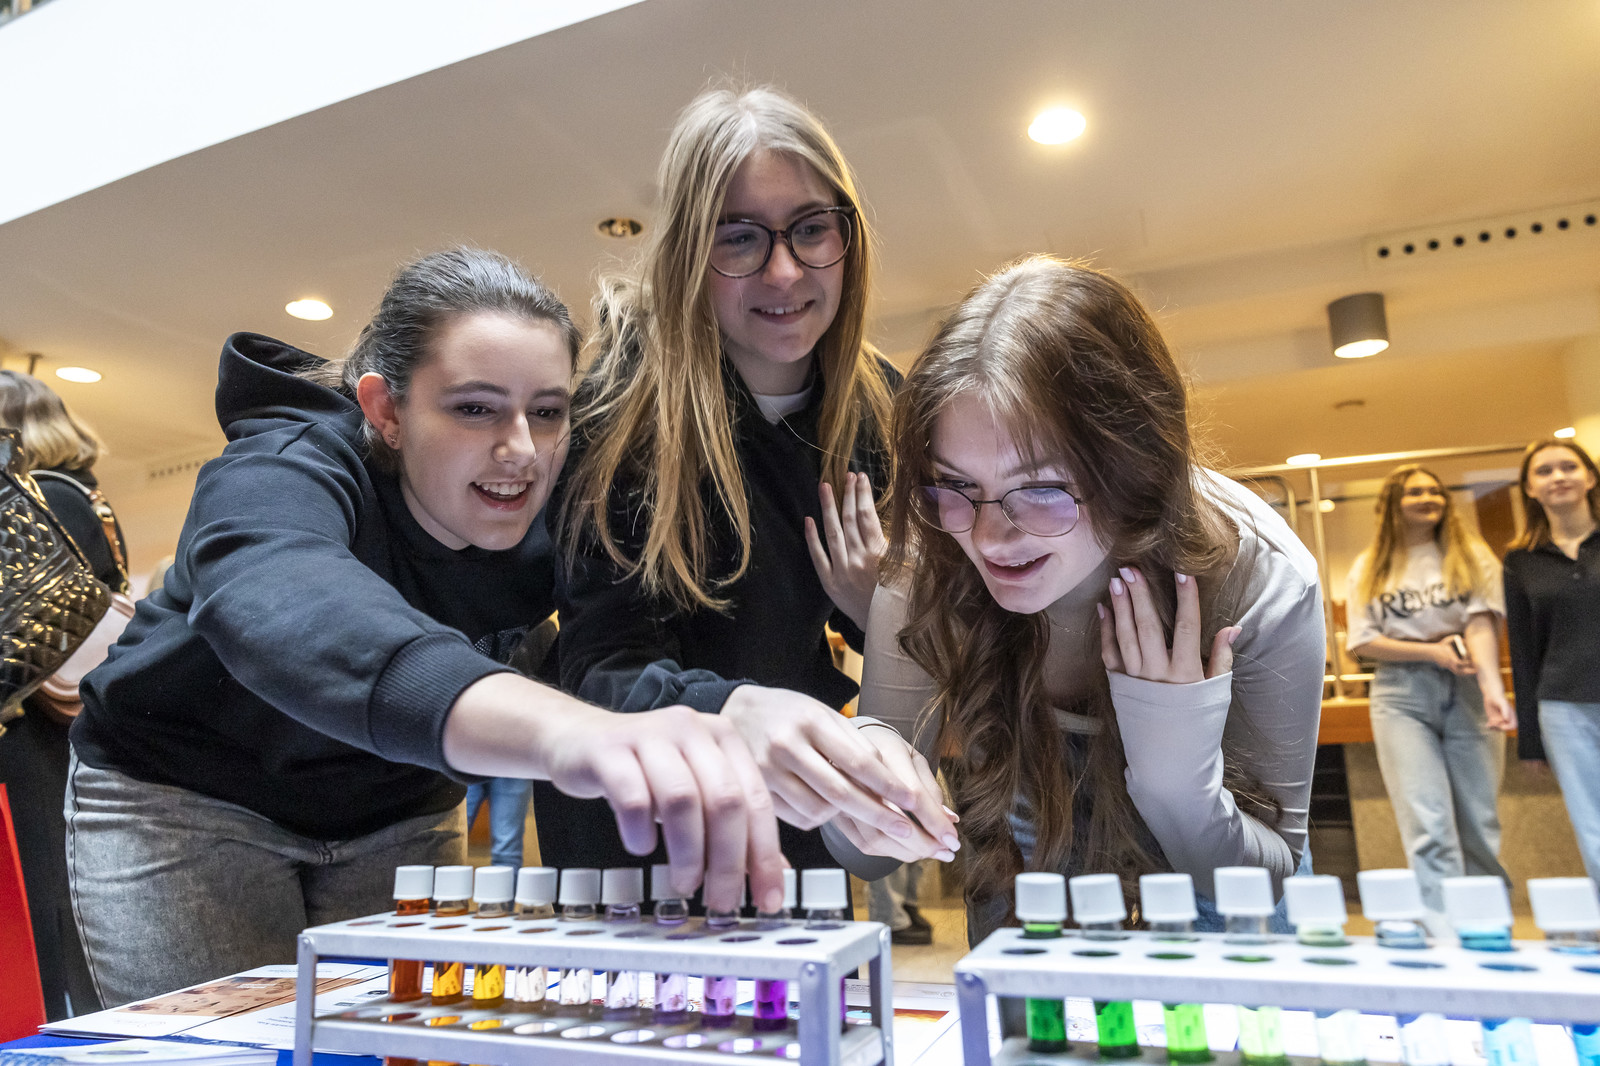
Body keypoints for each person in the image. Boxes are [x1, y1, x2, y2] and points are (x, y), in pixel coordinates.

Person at [65, 248, 785, 1008]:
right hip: (188, 798)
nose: (521, 450)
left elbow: (607, 657)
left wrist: (737, 713)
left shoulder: (563, 505)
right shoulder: (286, 461)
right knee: (233, 1049)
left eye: (547, 411)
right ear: (385, 411)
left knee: (400, 1044)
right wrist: (569, 733)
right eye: (474, 409)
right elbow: (281, 594)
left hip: (397, 811)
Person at [844, 256, 1325, 944]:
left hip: (1223, 891)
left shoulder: (1261, 577)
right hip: (1028, 870)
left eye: (1041, 488)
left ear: (1135, 468)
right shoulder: (931, 557)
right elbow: (866, 857)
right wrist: (858, 783)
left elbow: (1264, 879)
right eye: (955, 484)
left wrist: (1179, 786)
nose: (989, 537)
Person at [550, 86, 955, 882]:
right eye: (739, 238)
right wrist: (738, 713)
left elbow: (936, 634)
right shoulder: (619, 410)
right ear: (688, 253)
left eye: (811, 229)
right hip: (637, 836)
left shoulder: (881, 406)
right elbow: (602, 667)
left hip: (794, 822)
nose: (784, 270)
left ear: (847, 237)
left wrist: (879, 609)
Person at [0, 368, 122, 1017]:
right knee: (55, 883)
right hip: (66, 716)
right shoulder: (82, 492)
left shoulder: (42, 495)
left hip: (32, 715)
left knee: (36, 886)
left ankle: (50, 1024)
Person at [1345, 464, 1511, 919]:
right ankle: (1443, 929)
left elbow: (1481, 624)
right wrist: (1431, 652)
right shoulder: (1370, 566)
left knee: (1479, 819)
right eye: (1415, 492)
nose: (1428, 498)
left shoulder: (1471, 555)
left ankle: (1487, 924)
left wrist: (1492, 688)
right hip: (1400, 694)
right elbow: (1362, 640)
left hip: (1468, 686)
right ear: (1393, 504)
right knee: (1428, 823)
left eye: (1435, 491)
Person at [1503, 438, 1600, 883]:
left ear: (1590, 477)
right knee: (1592, 827)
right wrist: (1530, 738)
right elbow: (1523, 652)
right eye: (1544, 471)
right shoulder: (1519, 560)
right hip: (1563, 709)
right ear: (1529, 488)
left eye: (1568, 467)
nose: (1558, 477)